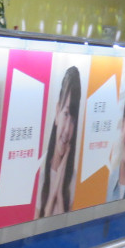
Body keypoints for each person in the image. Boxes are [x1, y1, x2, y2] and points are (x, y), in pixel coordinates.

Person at [38, 67, 81, 217]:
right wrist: (55, 188)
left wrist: (61, 197)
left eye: (73, 119)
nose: (68, 129)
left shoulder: (75, 180)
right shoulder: (40, 177)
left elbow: (67, 229)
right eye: (66, 114)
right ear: (57, 112)